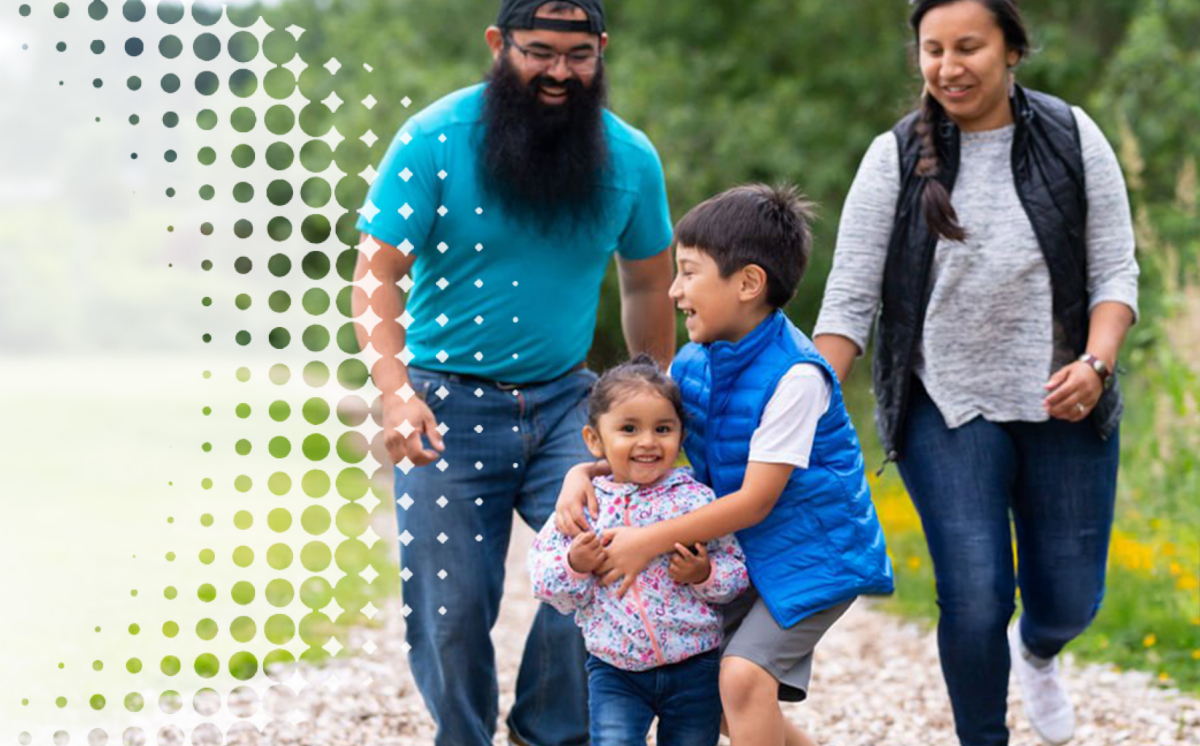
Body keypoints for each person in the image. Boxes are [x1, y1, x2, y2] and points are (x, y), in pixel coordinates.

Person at [812, 2, 1139, 744]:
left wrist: (1095, 363)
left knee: (1067, 601)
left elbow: (1116, 271)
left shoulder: (1071, 136)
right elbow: (849, 299)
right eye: (933, 50)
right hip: (944, 405)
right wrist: (804, 399)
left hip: (1065, 398)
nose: (948, 67)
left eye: (968, 47)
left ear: (1012, 50)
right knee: (975, 594)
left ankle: (1040, 651)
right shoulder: (893, 156)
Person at [352, 0, 676, 742]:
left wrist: (649, 400)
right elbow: (374, 277)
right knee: (452, 606)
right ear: (498, 45)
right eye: (538, 52)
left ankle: (547, 731)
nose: (559, 72)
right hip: (442, 403)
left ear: (602, 49)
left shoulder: (630, 159)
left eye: (578, 55)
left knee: (602, 560)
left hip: (571, 404)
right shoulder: (433, 139)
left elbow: (648, 286)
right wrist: (394, 393)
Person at [556, 184, 895, 746]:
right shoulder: (693, 363)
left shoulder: (797, 378)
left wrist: (648, 541)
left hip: (817, 554)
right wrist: (580, 474)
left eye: (688, 273)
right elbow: (647, 448)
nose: (673, 290)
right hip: (749, 549)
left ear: (748, 283)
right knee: (712, 685)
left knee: (740, 678)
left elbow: (756, 500)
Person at [528, 355, 749, 746]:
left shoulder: (696, 501)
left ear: (681, 436)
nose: (647, 441)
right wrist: (575, 564)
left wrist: (704, 574)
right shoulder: (583, 505)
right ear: (594, 440)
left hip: (694, 663)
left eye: (662, 428)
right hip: (615, 670)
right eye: (629, 429)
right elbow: (545, 583)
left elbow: (735, 574)